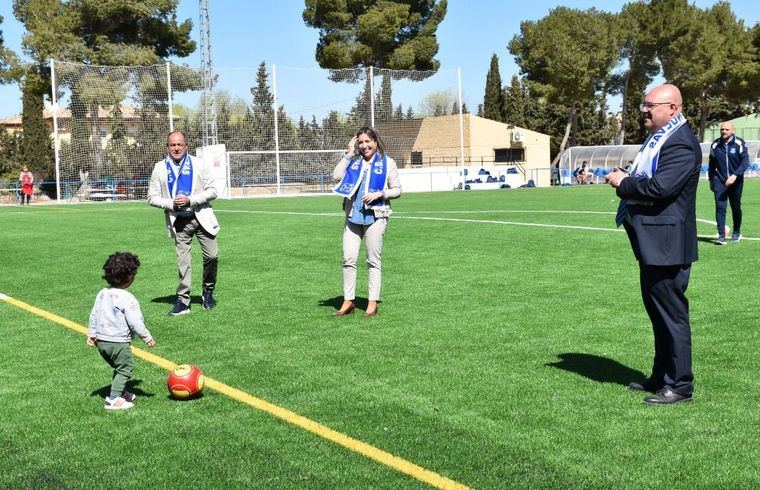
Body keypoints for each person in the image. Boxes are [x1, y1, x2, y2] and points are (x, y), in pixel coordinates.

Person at [605, 84, 701, 405]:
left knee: (672, 315)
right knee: (658, 314)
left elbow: (661, 187)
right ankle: (661, 378)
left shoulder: (682, 143)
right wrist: (629, 178)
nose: (644, 110)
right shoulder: (661, 138)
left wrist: (624, 183)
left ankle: (681, 385)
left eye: (651, 105)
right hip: (654, 244)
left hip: (667, 245)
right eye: (643, 104)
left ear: (673, 108)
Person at [148, 130, 220, 315]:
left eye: (180, 144)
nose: (176, 148)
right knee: (183, 262)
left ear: (186, 146)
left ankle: (208, 291)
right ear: (168, 147)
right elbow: (152, 197)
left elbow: (213, 190)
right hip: (179, 220)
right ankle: (183, 300)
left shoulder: (199, 164)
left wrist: (191, 200)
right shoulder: (159, 168)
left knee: (212, 256)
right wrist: (171, 203)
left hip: (201, 216)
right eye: (173, 145)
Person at [332, 126, 401, 317]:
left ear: (375, 142)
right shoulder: (354, 163)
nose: (364, 146)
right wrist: (348, 153)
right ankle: (348, 301)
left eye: (367, 141)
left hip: (375, 218)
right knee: (348, 259)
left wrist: (380, 194)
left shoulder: (388, 163)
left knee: (373, 261)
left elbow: (397, 190)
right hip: (353, 218)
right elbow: (336, 176)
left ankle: (372, 303)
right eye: (360, 142)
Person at [87, 252, 156, 410]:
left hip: (102, 343)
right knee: (125, 367)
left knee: (119, 368)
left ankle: (121, 392)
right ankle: (113, 399)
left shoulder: (102, 293)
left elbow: (93, 314)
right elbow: (135, 323)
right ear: (129, 277)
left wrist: (91, 334)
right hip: (118, 343)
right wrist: (147, 337)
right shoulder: (127, 298)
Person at [708, 121, 749, 244]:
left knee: (735, 207)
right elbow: (711, 163)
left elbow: (745, 162)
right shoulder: (715, 145)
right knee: (720, 208)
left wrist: (735, 175)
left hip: (736, 181)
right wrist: (711, 179)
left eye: (726, 129)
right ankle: (721, 235)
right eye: (722, 129)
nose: (724, 132)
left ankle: (736, 232)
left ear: (733, 130)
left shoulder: (739, 143)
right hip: (719, 180)